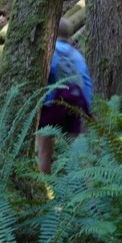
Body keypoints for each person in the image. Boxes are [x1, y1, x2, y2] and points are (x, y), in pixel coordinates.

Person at [37, 18, 93, 174]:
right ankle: (83, 188)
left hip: (50, 106)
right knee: (77, 151)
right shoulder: (76, 55)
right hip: (74, 106)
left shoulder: (48, 51)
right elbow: (86, 82)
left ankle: (45, 188)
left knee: (44, 154)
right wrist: (87, 109)